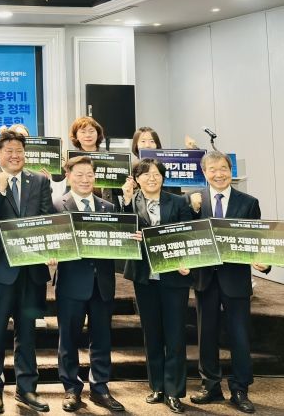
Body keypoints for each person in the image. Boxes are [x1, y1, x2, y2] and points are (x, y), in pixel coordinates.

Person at [0, 130, 53, 414]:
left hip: (31, 270)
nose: (14, 155)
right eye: (8, 150)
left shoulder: (40, 181)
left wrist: (50, 247)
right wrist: (1, 189)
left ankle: (27, 388)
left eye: (19, 150)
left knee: (27, 333)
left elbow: (46, 218)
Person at [188, 150, 270, 414]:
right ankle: (210, 386)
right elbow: (185, 236)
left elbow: (258, 240)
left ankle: (240, 389)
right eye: (212, 169)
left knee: (239, 336)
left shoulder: (249, 202)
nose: (219, 174)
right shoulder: (192, 201)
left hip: (235, 279)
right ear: (204, 173)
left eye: (223, 168)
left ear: (231, 171)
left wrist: (264, 262)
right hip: (205, 278)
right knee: (206, 335)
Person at [52, 156, 125, 412]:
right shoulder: (56, 205)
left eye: (89, 175)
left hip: (102, 283)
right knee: (68, 339)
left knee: (102, 338)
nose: (85, 179)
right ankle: (71, 388)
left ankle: (100, 387)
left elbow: (118, 241)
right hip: (71, 283)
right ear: (68, 176)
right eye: (79, 174)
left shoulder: (108, 207)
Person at [121, 158, 193, 414]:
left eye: (157, 174)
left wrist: (186, 261)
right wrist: (126, 202)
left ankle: (174, 391)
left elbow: (188, 234)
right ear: (136, 179)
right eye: (146, 174)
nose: (152, 178)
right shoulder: (131, 202)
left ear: (163, 177)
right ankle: (157, 386)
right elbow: (122, 232)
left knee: (175, 335)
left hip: (174, 276)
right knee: (151, 333)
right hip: (145, 277)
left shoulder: (179, 202)